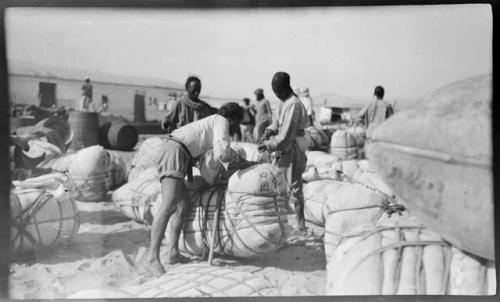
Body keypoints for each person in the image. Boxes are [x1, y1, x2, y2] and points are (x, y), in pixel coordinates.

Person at [144, 102, 245, 275]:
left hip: (178, 153)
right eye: (237, 122)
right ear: (233, 118)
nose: (235, 126)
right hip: (174, 152)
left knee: (184, 207)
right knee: (169, 204)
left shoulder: (210, 123)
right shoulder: (221, 120)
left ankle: (173, 252)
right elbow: (222, 150)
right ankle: (152, 258)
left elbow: (207, 159)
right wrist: (240, 162)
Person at [258, 72, 309, 232]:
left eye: (277, 91)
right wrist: (268, 131)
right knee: (278, 184)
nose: (276, 94)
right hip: (283, 149)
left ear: (285, 88)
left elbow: (286, 135)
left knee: (295, 187)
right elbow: (276, 122)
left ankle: (301, 226)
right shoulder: (283, 102)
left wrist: (268, 144)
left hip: (293, 148)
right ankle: (282, 223)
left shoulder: (294, 104)